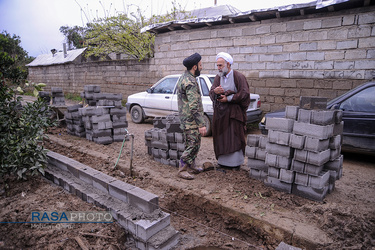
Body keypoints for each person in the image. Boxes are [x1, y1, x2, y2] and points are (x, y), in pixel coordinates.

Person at [209, 52, 251, 170]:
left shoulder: (238, 76)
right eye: (217, 65)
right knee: (221, 137)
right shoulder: (218, 77)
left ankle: (235, 163)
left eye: (220, 65)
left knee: (234, 137)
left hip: (234, 115)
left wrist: (229, 98)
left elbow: (244, 94)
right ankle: (222, 162)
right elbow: (211, 92)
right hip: (221, 116)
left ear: (228, 64)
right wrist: (215, 92)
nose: (218, 68)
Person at [176, 52, 207, 180]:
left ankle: (192, 165)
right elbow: (194, 106)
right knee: (193, 144)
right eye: (200, 65)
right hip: (191, 121)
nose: (202, 67)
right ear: (195, 67)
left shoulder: (184, 77)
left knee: (192, 143)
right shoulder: (190, 82)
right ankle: (182, 169)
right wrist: (201, 124)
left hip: (186, 119)